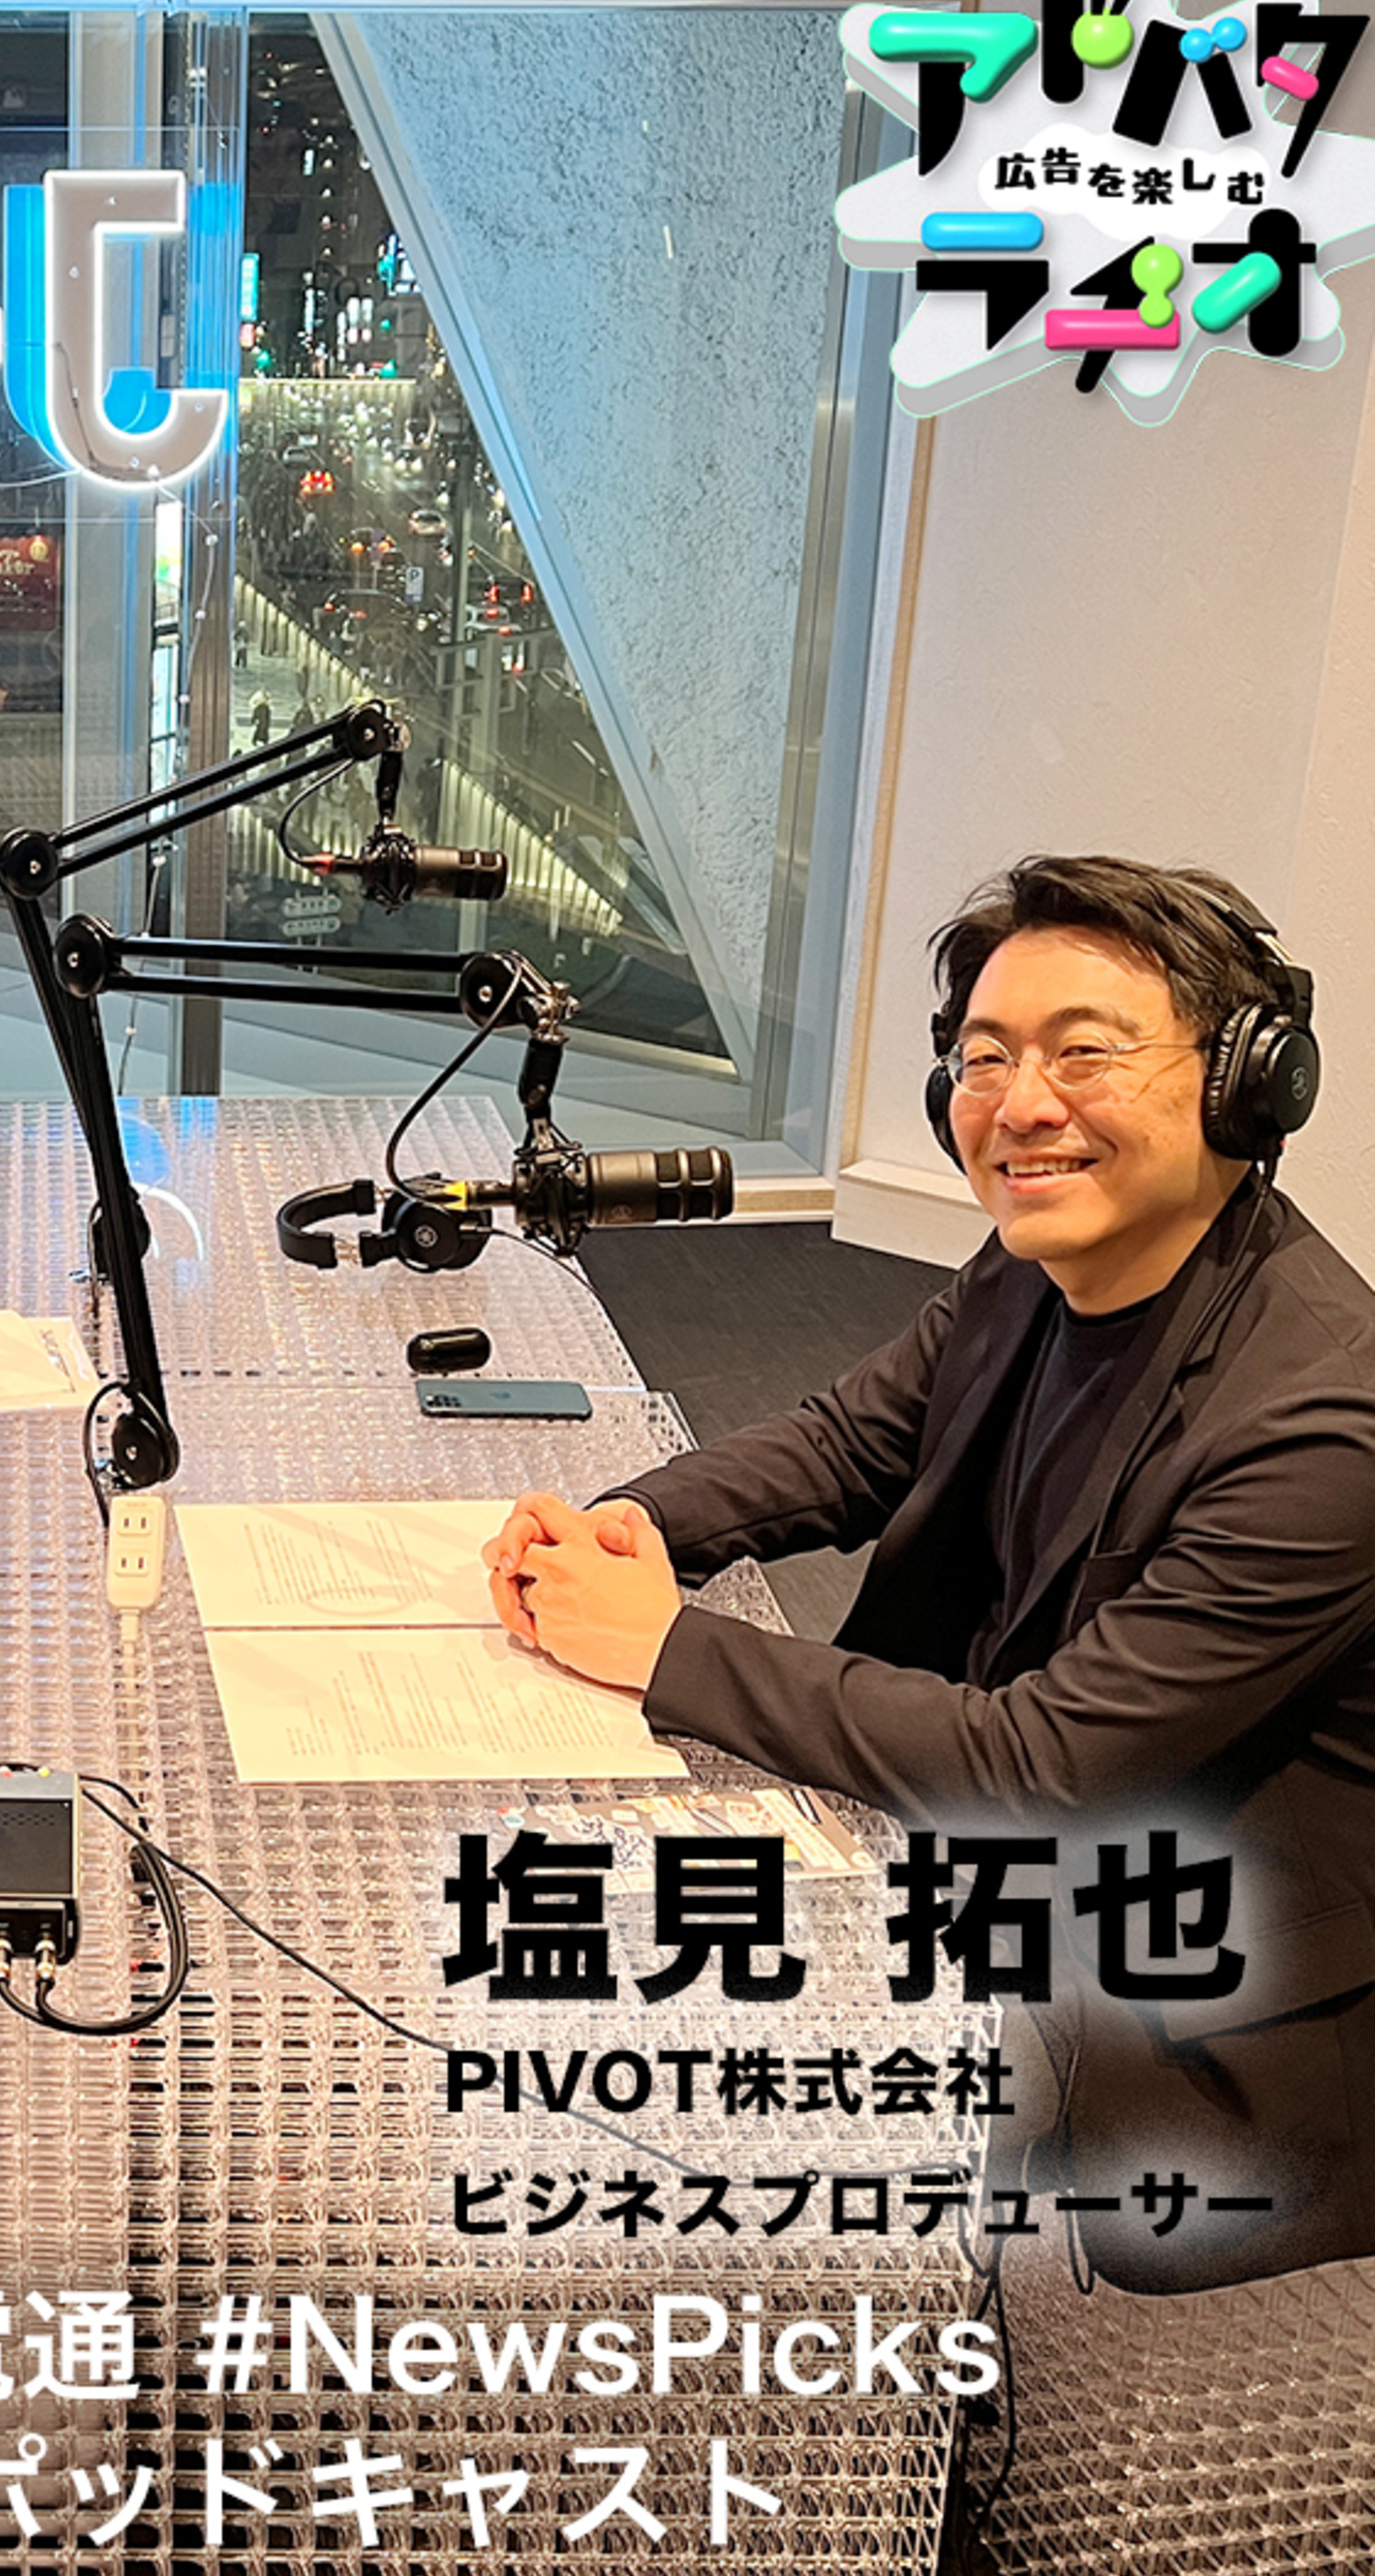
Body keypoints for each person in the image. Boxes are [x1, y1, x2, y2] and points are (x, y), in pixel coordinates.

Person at [488, 855, 1375, 2296]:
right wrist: (627, 1525)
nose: (1020, 1105)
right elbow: (849, 1442)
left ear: (1245, 1083)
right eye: (984, 1058)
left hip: (1201, 2021)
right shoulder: (1034, 1266)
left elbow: (1044, 1768)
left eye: (1084, 1055)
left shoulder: (1325, 1427)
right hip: (1014, 1840)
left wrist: (665, 1648)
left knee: (659, 2042)